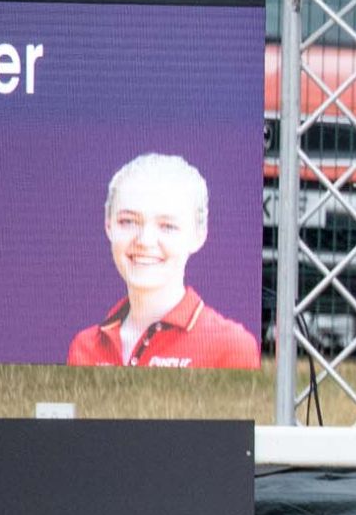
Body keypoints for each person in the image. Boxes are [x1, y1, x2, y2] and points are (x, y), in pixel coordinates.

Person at [66, 153, 261, 369]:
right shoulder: (84, 346)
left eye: (167, 226)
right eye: (128, 221)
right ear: (108, 225)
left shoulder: (231, 347)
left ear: (199, 235)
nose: (145, 241)